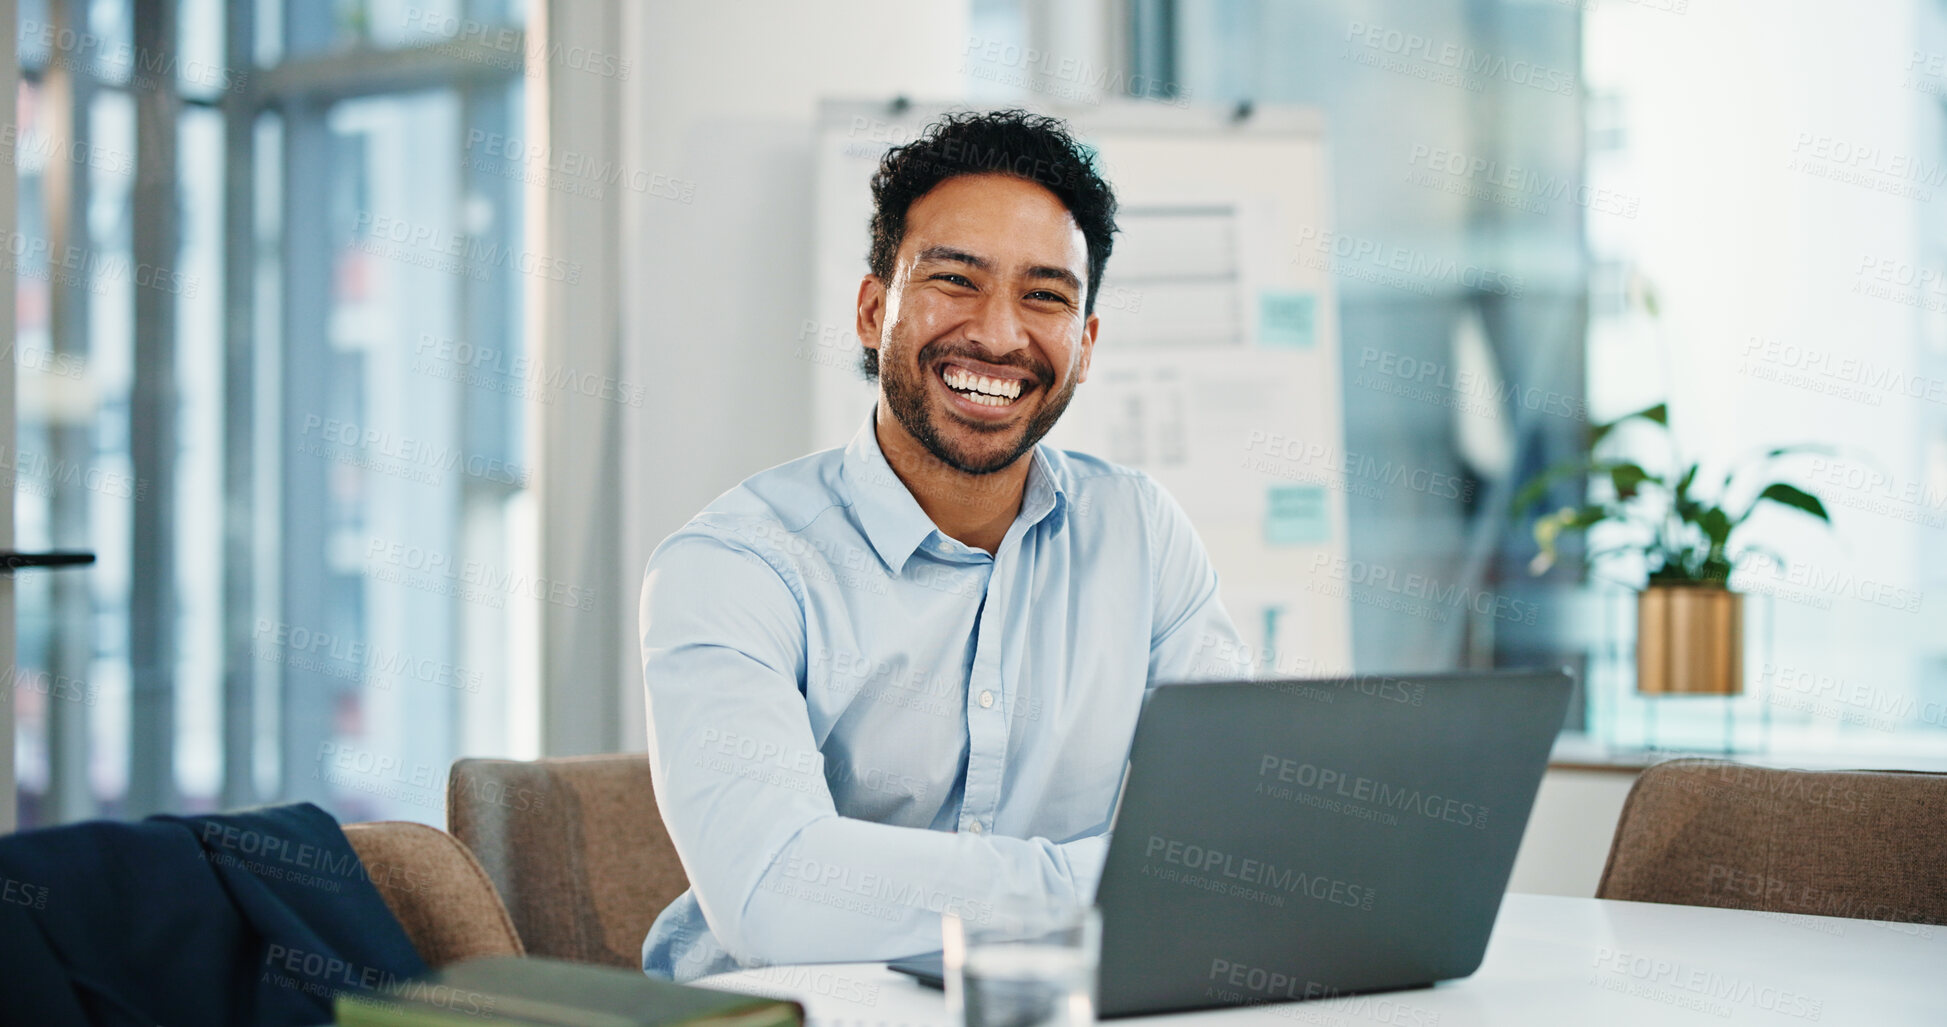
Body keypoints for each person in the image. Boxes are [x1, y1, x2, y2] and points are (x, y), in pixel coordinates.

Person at [639, 109, 1250, 980]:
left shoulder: (1140, 535)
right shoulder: (734, 566)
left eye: (1045, 296)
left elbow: (1233, 842)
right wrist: (1116, 881)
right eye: (956, 280)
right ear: (871, 310)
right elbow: (776, 893)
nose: (998, 335)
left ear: (1084, 345)